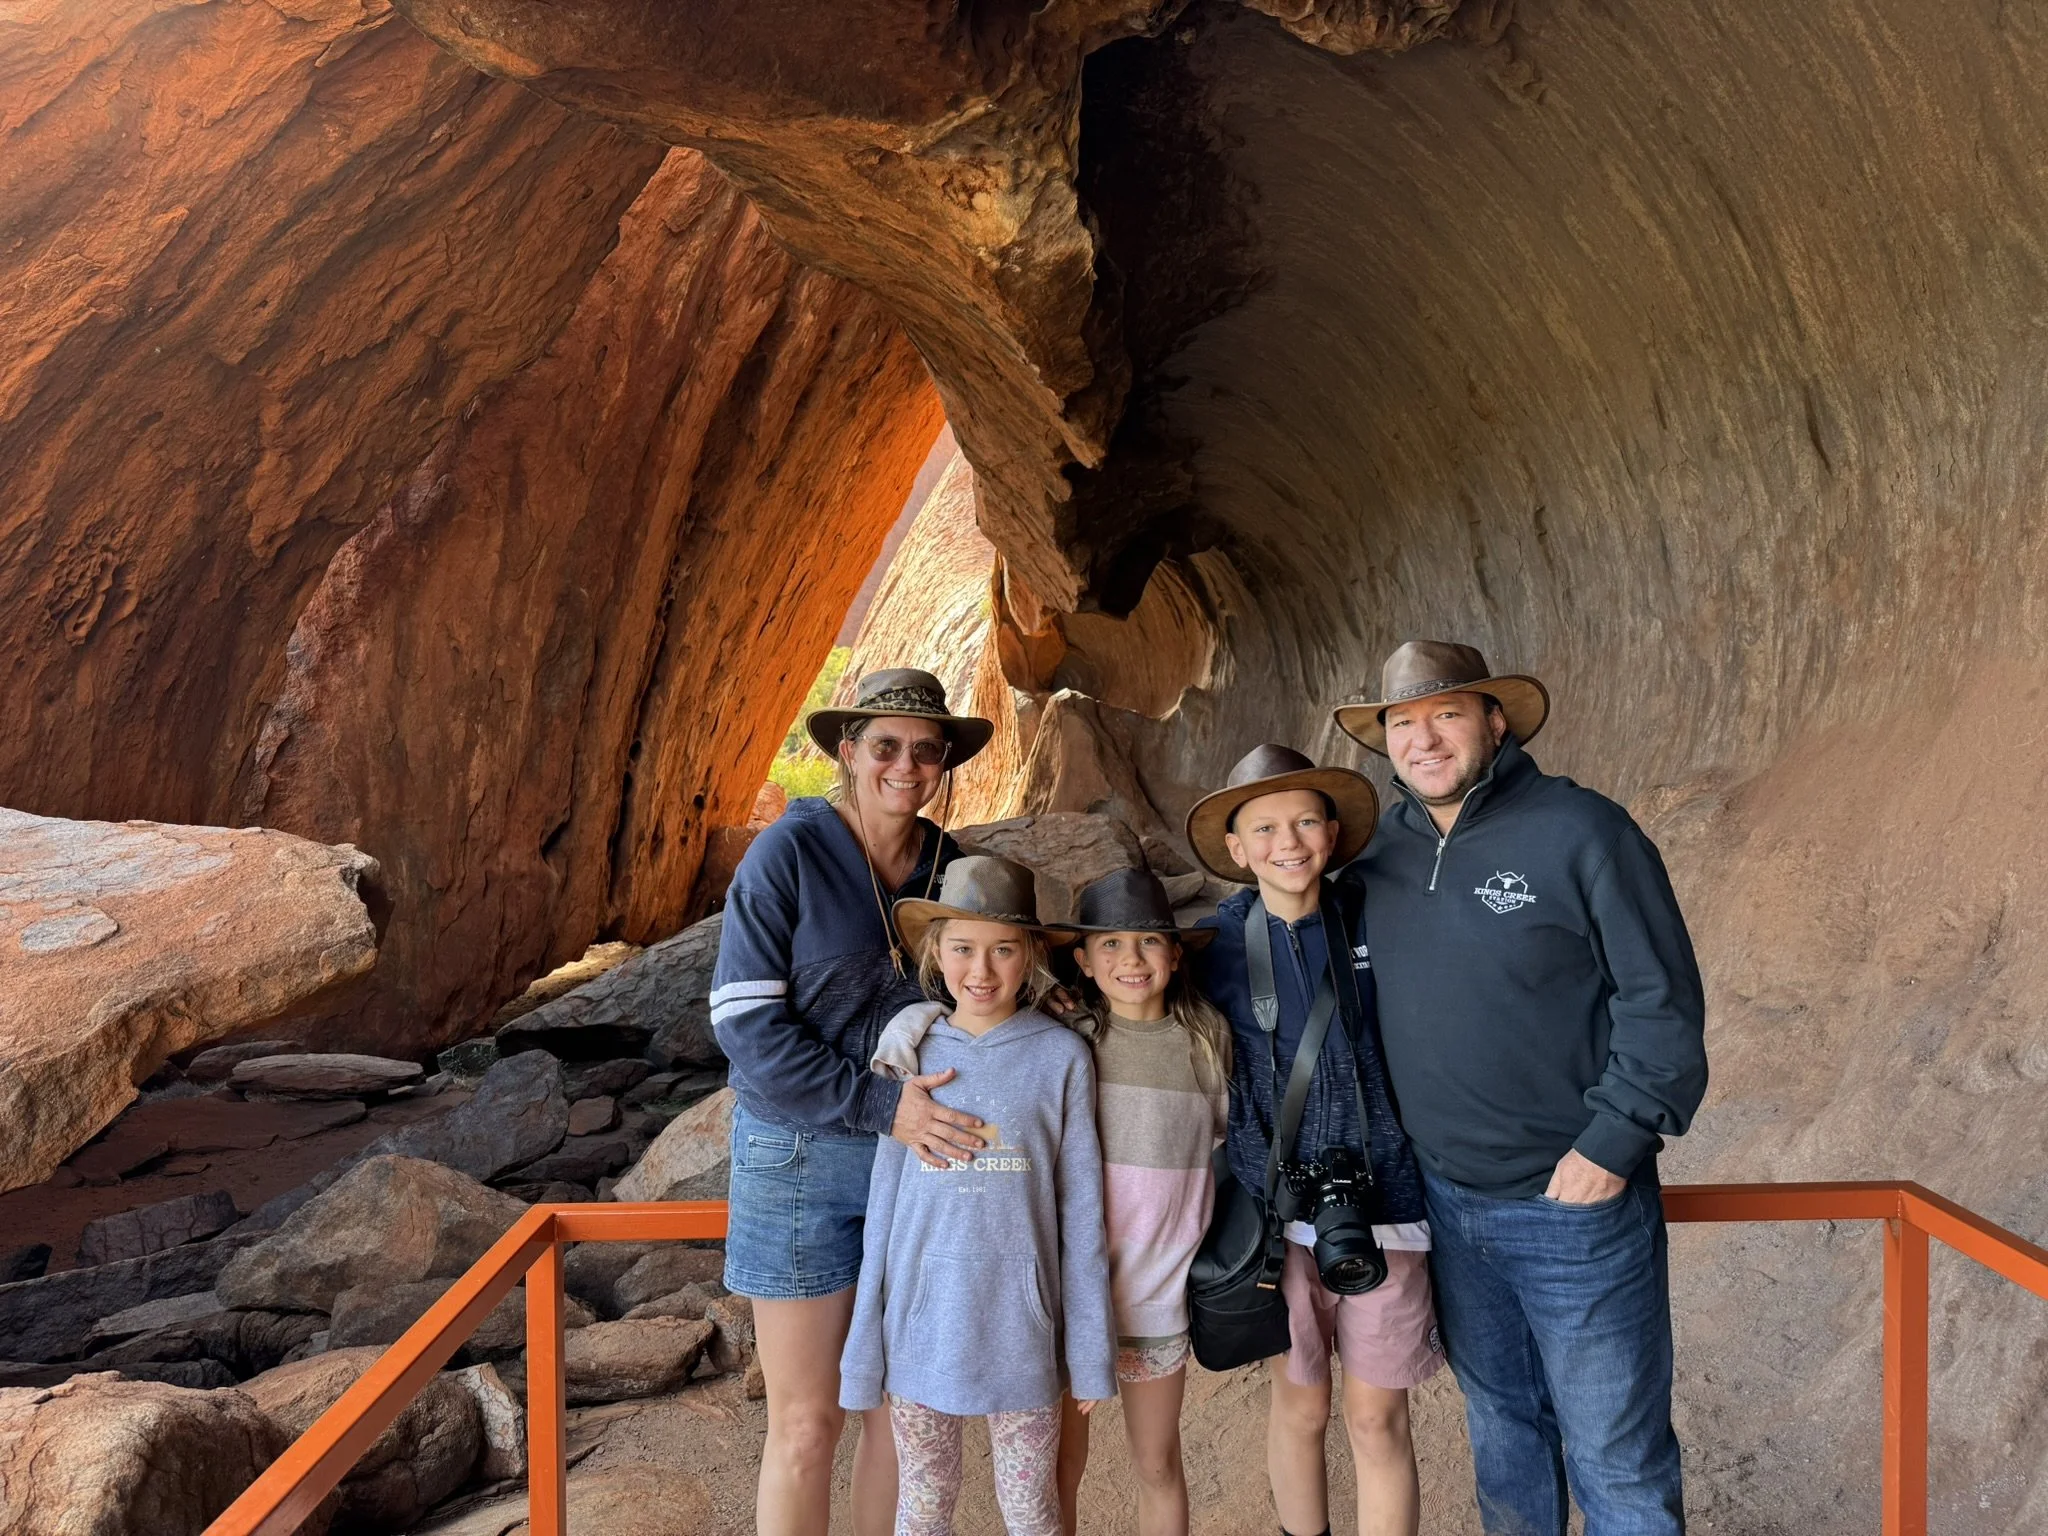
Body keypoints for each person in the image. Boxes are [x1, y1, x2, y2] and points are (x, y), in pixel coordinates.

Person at [1336, 640, 1709, 1536]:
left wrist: (1611, 1145)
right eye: (1403, 722)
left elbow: (1662, 1003)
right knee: (1505, 1434)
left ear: (1494, 721)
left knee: (1616, 1456)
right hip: (1449, 1203)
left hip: (1571, 1204)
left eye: (1448, 714)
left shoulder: (1583, 831)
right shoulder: (1376, 854)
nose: (1424, 739)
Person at [712, 667, 998, 1536]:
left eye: (924, 751)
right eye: (884, 747)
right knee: (807, 1422)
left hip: (912, 1159)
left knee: (900, 1413)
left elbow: (985, 987)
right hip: (799, 1155)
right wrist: (885, 1111)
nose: (904, 767)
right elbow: (746, 1028)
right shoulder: (788, 853)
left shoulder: (949, 865)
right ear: (847, 752)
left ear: (942, 761)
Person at [1185, 744, 1444, 1536]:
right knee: (1300, 1410)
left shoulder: (1380, 916)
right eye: (1262, 828)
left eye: (1304, 820)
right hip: (1276, 1217)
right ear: (1235, 849)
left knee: (1376, 1420)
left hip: (1388, 1204)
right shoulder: (1211, 947)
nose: (1287, 842)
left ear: (1332, 831)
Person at [840, 855, 1117, 1536]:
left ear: (1033, 959)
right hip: (919, 1329)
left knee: (1030, 1510)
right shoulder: (910, 1055)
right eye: (962, 949)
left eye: (1003, 951)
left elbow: (1081, 1216)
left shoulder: (1061, 1059)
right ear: (937, 953)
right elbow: (885, 1211)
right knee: (925, 1506)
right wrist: (862, 1354)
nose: (982, 971)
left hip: (1022, 1332)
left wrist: (1089, 1357)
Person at [1039, 867, 1232, 1536]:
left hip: (1159, 1298)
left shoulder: (1207, 1044)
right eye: (1111, 945)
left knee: (1157, 1464)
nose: (1131, 959)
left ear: (1175, 954)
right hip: (1073, 1298)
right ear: (1084, 963)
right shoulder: (1069, 1045)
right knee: (1059, 1465)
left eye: (1149, 941)